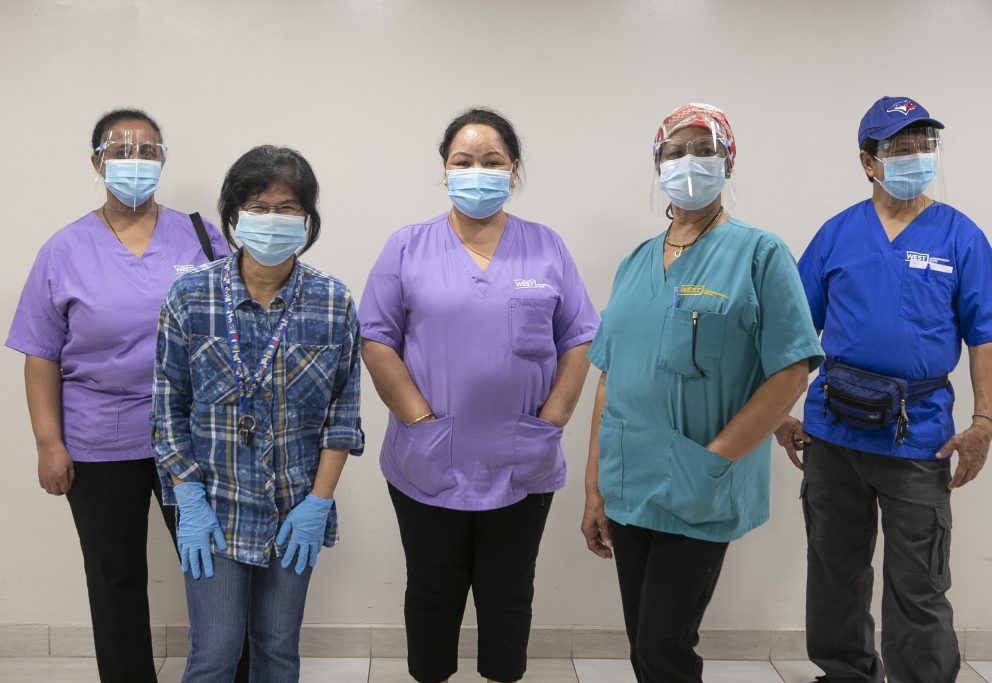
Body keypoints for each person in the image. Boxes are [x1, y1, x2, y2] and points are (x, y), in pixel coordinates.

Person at [775, 96, 992, 683]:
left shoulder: (960, 236)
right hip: (833, 431)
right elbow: (793, 333)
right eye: (900, 148)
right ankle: (844, 672)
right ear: (867, 160)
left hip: (920, 437)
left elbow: (985, 337)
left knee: (919, 580)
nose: (917, 157)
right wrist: (783, 410)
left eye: (925, 145)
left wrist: (984, 424)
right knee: (834, 570)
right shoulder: (838, 234)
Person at [581, 102, 824, 683]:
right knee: (643, 641)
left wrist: (712, 462)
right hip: (627, 480)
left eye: (703, 150)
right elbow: (609, 376)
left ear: (728, 162)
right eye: (674, 151)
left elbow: (791, 371)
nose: (688, 162)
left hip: (699, 483)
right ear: (657, 164)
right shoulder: (635, 262)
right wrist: (593, 486)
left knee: (666, 646)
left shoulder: (760, 254)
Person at [360, 107, 599, 683]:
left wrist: (556, 415)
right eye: (463, 161)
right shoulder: (408, 246)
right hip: (428, 456)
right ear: (444, 170)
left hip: (523, 456)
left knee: (509, 591)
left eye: (492, 161)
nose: (478, 172)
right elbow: (375, 336)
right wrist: (417, 418)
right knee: (432, 590)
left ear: (512, 170)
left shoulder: (545, 246)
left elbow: (580, 335)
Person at [5, 109, 230, 683]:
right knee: (115, 576)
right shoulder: (64, 250)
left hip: (195, 439)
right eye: (120, 149)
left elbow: (237, 332)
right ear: (96, 162)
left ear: (162, 160)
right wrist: (48, 442)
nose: (135, 160)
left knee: (215, 571)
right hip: (100, 439)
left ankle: (230, 671)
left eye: (148, 150)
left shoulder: (201, 238)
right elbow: (41, 355)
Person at [151, 145, 363, 682]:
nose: (272, 219)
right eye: (258, 206)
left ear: (309, 219)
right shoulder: (190, 296)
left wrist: (318, 503)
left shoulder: (333, 302)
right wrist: (188, 498)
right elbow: (168, 406)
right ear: (233, 217)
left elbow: (344, 415)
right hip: (215, 507)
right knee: (215, 653)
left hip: (294, 509)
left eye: (287, 207)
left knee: (277, 650)